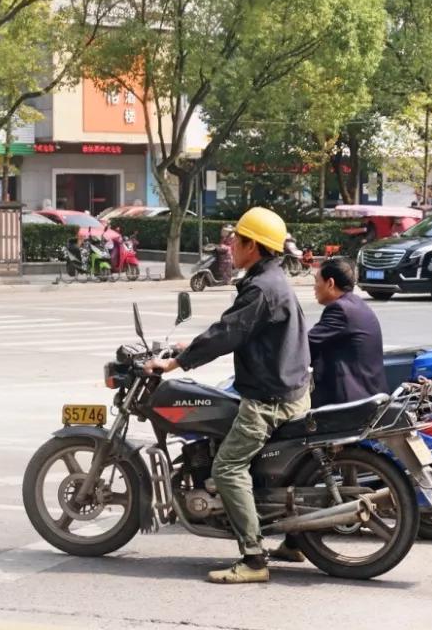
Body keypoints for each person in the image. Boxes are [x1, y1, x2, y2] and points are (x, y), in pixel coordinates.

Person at [146, 207, 311, 584]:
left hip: (270, 401)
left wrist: (176, 363)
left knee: (227, 467)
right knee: (264, 468)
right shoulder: (272, 279)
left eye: (236, 239)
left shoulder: (261, 288)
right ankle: (296, 539)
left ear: (253, 246)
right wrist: (192, 345)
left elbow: (229, 332)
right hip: (291, 390)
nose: (230, 244)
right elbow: (234, 329)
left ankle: (254, 560)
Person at [269, 257, 387, 563]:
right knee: (303, 464)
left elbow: (306, 345)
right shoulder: (357, 305)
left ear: (331, 284)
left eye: (317, 282)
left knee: (292, 457)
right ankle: (293, 543)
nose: (314, 289)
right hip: (362, 393)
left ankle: (293, 537)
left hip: (343, 399)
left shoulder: (339, 310)